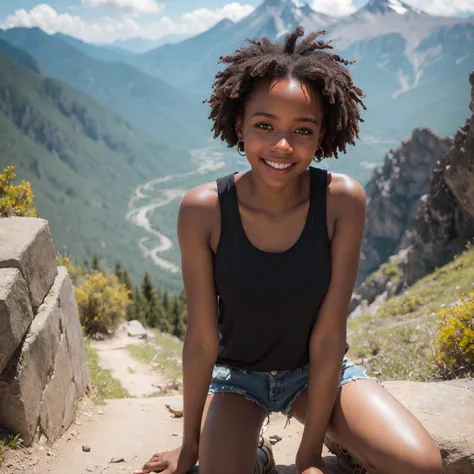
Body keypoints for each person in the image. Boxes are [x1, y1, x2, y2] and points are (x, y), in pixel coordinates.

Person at [134, 27, 443, 474]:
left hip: (316, 374)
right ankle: (255, 454)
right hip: (238, 380)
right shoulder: (204, 210)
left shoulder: (342, 201)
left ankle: (330, 445)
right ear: (239, 126)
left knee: (422, 466)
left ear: (322, 136)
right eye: (264, 126)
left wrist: (308, 457)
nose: (282, 145)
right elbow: (202, 339)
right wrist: (190, 448)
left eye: (302, 130)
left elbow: (330, 333)